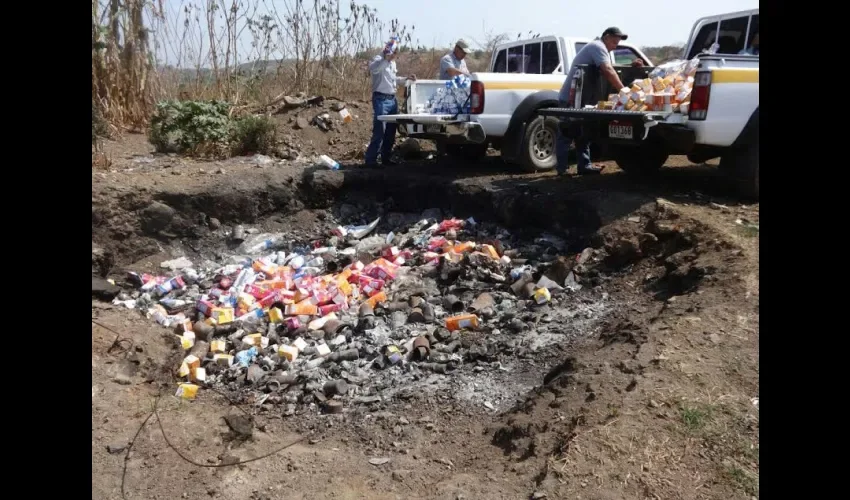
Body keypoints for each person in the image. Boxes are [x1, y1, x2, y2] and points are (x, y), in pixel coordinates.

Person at [555, 27, 630, 176]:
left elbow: (608, 69)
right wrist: (624, 90)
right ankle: (562, 170)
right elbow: (608, 70)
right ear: (607, 37)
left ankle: (584, 166)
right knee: (566, 132)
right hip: (571, 97)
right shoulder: (598, 46)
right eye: (614, 42)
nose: (615, 46)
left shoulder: (600, 49)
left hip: (581, 98)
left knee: (583, 133)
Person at [365, 37, 416, 168]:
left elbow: (393, 79)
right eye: (393, 54)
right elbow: (374, 69)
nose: (394, 57)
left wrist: (406, 79)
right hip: (381, 99)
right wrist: (385, 59)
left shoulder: (392, 63)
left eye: (395, 54)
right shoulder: (378, 60)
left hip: (392, 99)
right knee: (380, 130)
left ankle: (386, 158)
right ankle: (371, 160)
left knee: (391, 131)